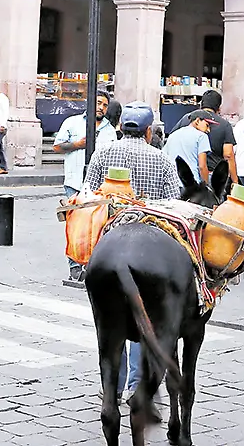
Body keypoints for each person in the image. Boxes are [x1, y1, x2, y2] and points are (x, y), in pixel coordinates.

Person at [82, 102, 182, 404]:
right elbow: (174, 202)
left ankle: (113, 382)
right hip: (151, 245)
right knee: (146, 316)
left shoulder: (101, 154)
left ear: (119, 127)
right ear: (149, 132)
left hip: (109, 241)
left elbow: (88, 196)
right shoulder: (161, 159)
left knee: (108, 318)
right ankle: (139, 383)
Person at [54, 92, 117, 282]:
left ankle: (92, 265)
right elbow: (56, 147)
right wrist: (77, 144)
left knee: (97, 226)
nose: (101, 107)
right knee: (75, 226)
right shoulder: (72, 122)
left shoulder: (109, 130)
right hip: (75, 183)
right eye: (98, 103)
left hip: (99, 186)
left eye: (105, 105)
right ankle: (74, 267)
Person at [172, 90, 237, 191]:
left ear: (201, 104)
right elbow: (228, 155)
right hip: (211, 175)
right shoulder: (224, 125)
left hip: (182, 174)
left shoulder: (186, 119)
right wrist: (235, 181)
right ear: (219, 108)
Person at [162, 110, 217, 185]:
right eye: (207, 125)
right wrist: (206, 186)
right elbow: (202, 166)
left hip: (172, 182)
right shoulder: (201, 136)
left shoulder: (173, 135)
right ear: (197, 121)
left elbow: (164, 158)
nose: (208, 130)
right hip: (191, 184)